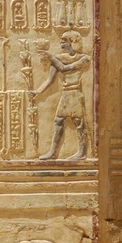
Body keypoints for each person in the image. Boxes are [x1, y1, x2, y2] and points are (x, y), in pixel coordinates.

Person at [32, 30, 91, 160]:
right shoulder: (59, 58)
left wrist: (51, 56)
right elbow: (49, 80)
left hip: (75, 93)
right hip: (65, 94)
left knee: (78, 122)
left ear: (72, 42)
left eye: (63, 41)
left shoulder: (84, 58)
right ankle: (53, 151)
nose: (61, 44)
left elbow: (65, 69)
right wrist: (37, 91)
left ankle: (82, 152)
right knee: (58, 121)